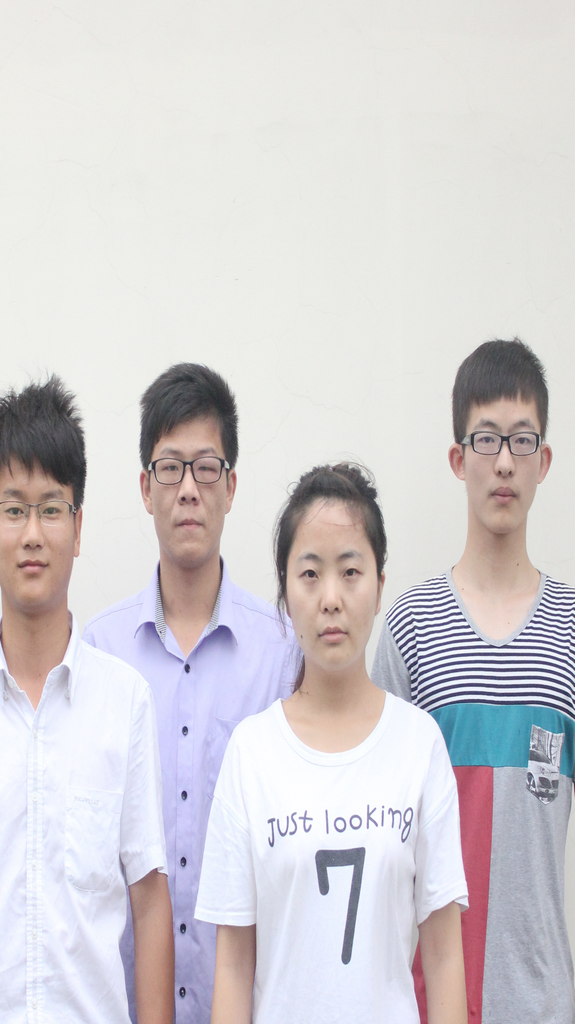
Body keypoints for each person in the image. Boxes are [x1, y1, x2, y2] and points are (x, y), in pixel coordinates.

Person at [0, 376, 173, 1024]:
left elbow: (150, 900)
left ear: (78, 526)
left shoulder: (124, 701)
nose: (32, 534)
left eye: (51, 508)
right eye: (14, 509)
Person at [195, 463, 468, 1024]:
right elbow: (234, 966)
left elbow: (443, 958)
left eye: (350, 571)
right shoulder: (252, 753)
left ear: (380, 586)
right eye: (310, 574)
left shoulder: (419, 744)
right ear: (285, 592)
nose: (331, 598)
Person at [83, 363, 295, 1023]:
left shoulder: (282, 652)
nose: (188, 491)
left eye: (206, 468)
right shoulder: (99, 651)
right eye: (170, 469)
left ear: (231, 487)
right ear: (145, 488)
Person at [372, 338, 575, 1023]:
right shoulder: (410, 627)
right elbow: (379, 831)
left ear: (545, 461)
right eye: (486, 439)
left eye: (522, 440)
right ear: (459, 459)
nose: (505, 462)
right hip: (428, 1003)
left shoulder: (570, 629)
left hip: (544, 1002)